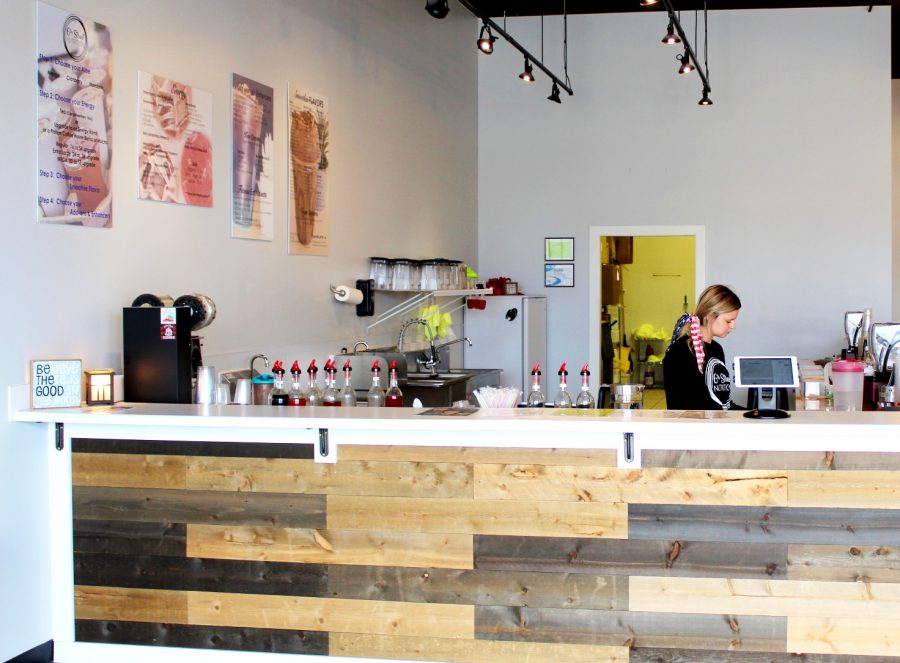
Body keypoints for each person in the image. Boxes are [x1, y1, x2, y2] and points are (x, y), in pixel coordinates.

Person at [663, 284, 741, 410]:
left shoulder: (717, 350)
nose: (733, 326)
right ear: (710, 315)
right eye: (728, 321)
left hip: (718, 425)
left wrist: (753, 413)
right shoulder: (680, 353)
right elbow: (686, 408)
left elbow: (723, 404)